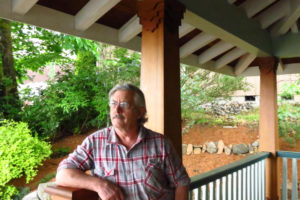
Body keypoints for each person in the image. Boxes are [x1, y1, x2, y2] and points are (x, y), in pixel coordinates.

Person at [56, 83, 190, 200]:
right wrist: (100, 185)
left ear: (139, 112)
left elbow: (181, 182)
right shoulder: (95, 142)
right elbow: (63, 174)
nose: (117, 109)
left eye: (124, 104)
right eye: (113, 103)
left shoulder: (160, 144)